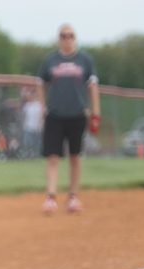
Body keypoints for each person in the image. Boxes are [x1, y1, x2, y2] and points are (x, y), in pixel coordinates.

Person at [36, 24, 100, 214]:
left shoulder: (85, 60)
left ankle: (73, 197)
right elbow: (40, 83)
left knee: (75, 156)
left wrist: (96, 112)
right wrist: (43, 107)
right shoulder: (51, 60)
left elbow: (93, 86)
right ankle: (51, 198)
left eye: (70, 35)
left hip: (78, 114)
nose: (67, 39)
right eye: (63, 36)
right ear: (59, 39)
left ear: (75, 38)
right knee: (53, 157)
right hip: (54, 115)